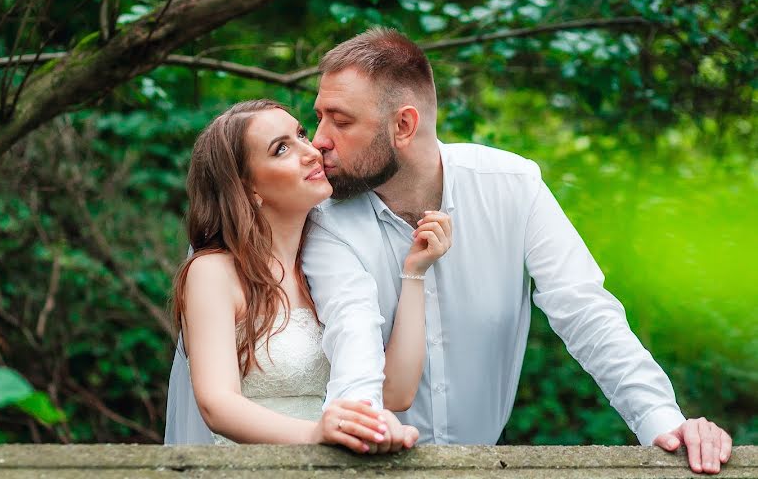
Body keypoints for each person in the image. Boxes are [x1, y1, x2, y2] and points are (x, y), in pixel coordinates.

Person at [302, 28, 734, 474]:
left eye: (341, 120)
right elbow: (353, 345)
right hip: (368, 466)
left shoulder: (512, 185)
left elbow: (585, 311)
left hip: (487, 465)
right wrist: (356, 429)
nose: (319, 140)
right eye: (319, 117)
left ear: (404, 125)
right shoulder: (326, 218)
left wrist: (663, 421)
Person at [167, 99, 450, 449]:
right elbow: (217, 405)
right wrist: (316, 434)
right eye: (282, 148)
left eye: (301, 134)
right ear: (248, 188)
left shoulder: (322, 271)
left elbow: (396, 391)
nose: (311, 151)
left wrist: (414, 274)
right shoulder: (214, 272)